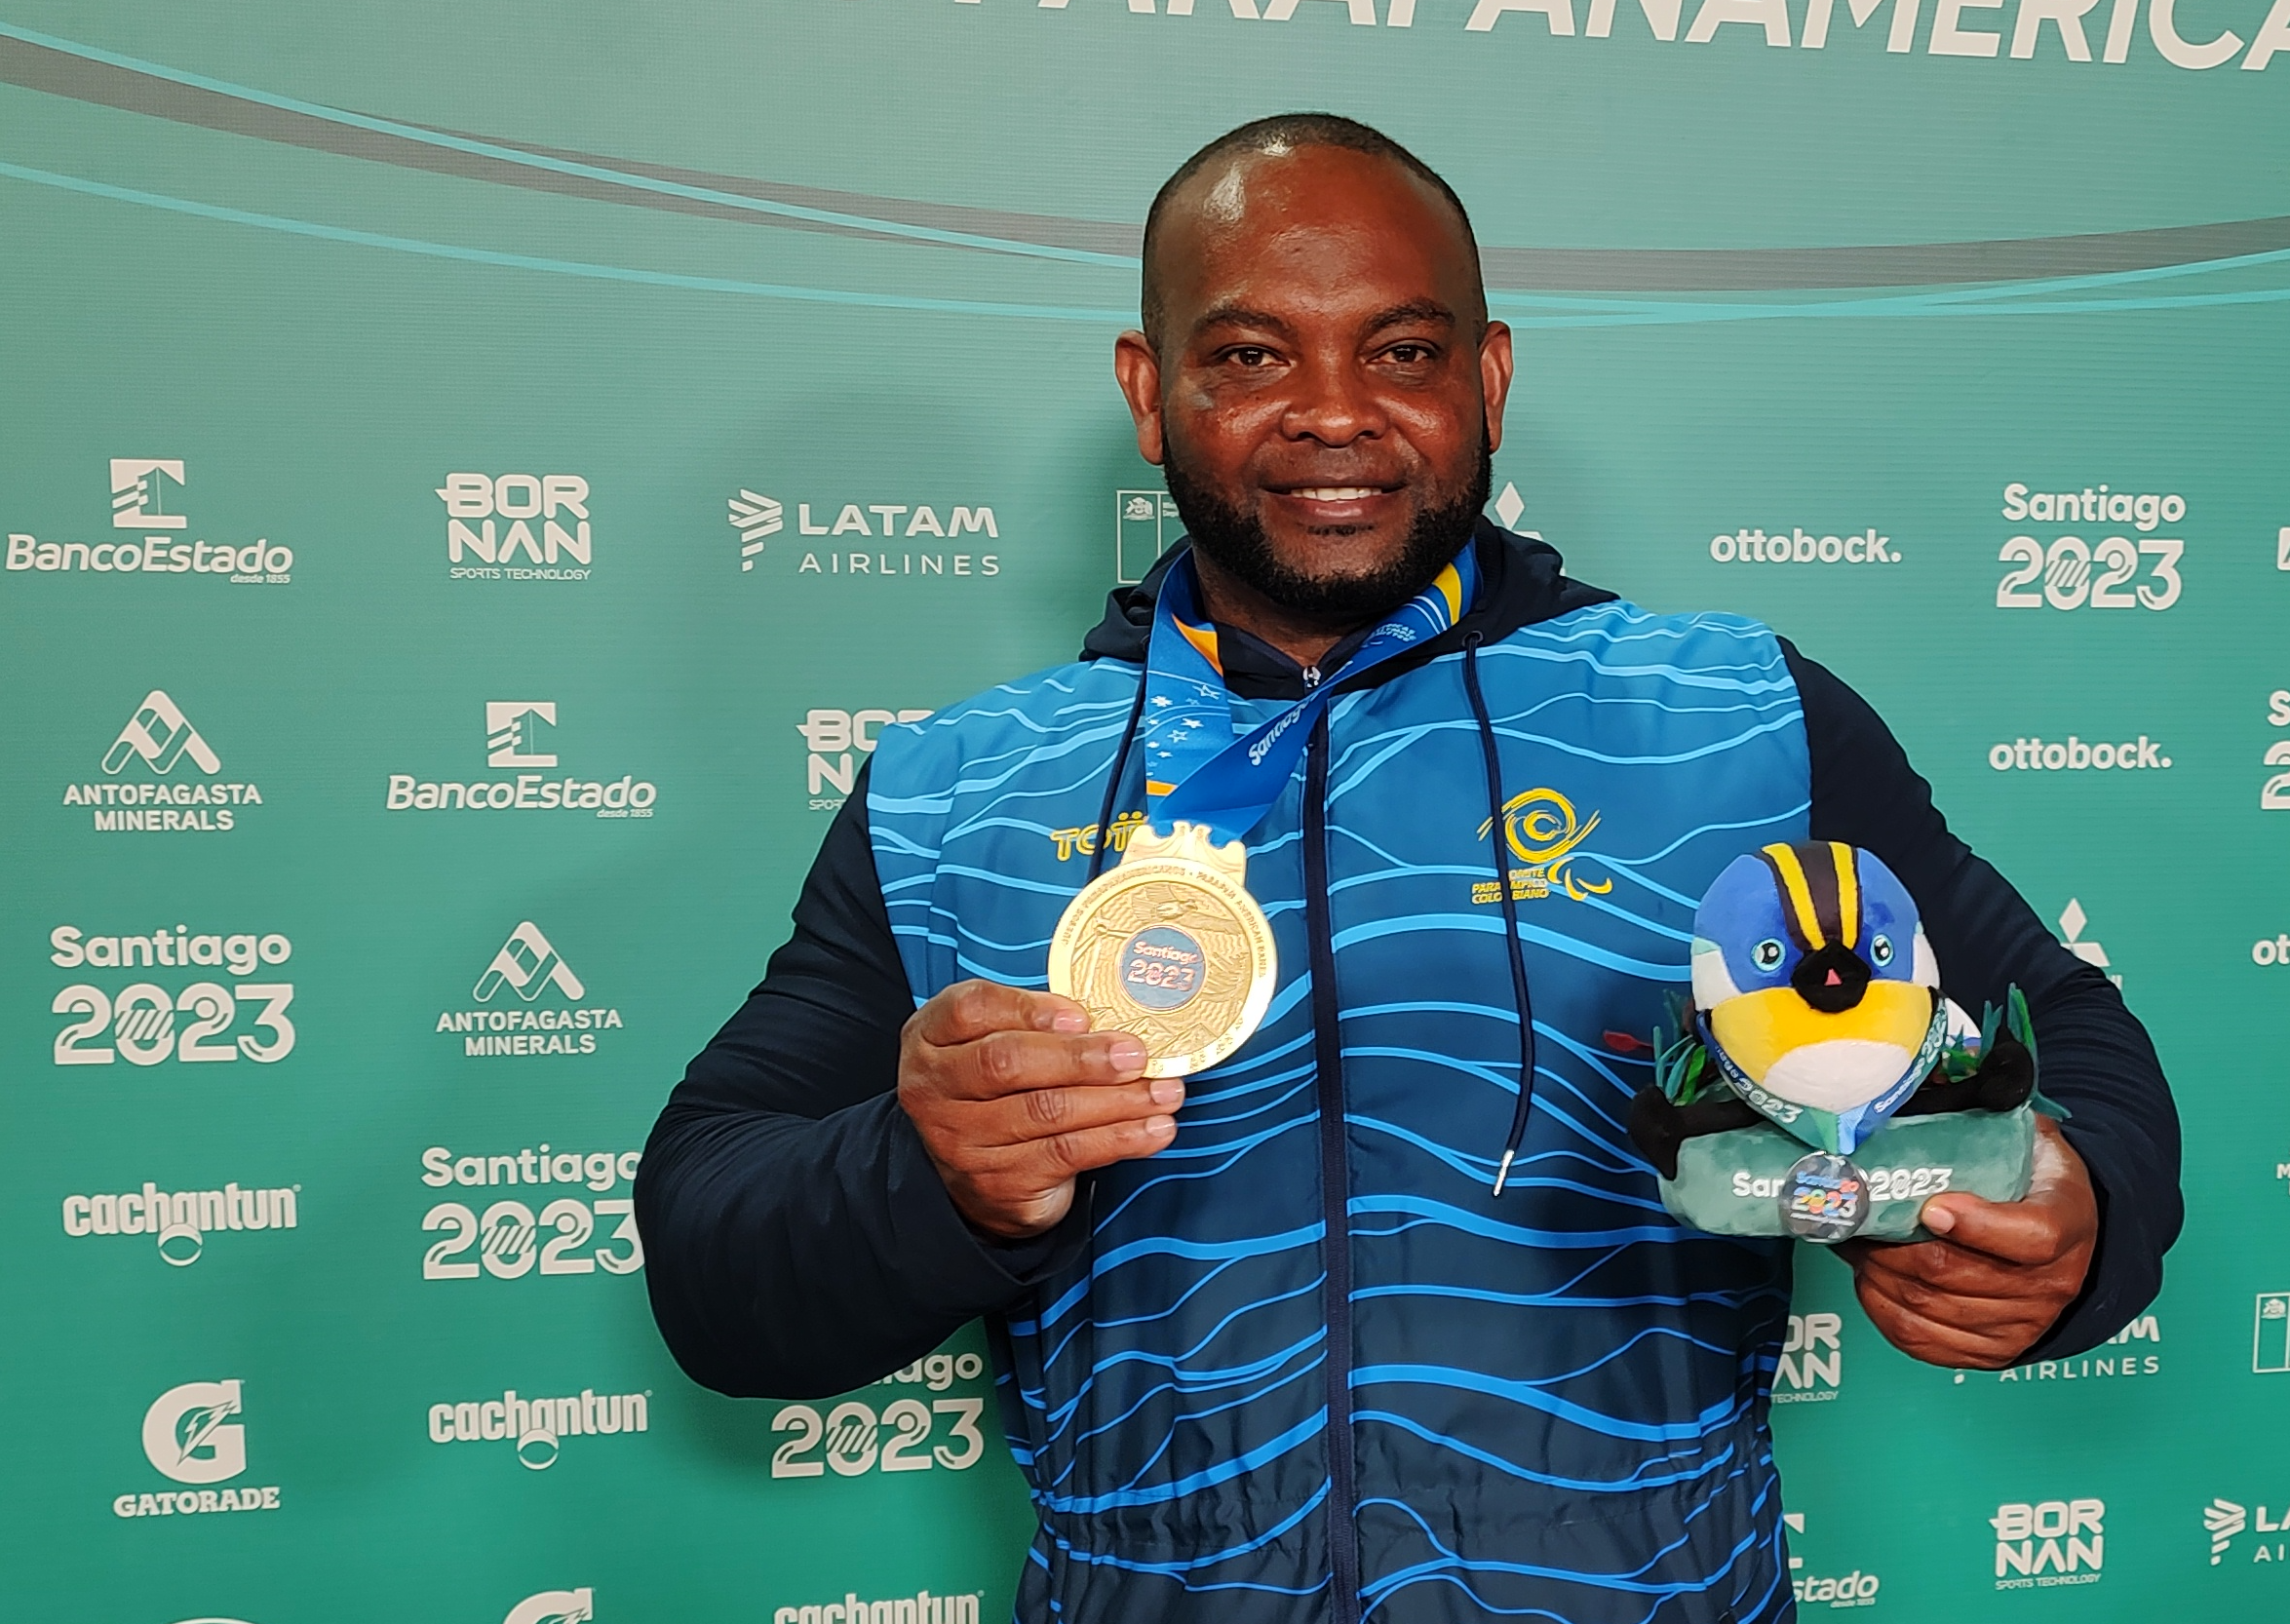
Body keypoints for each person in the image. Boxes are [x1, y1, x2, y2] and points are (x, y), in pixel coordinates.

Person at [638, 113, 2179, 1624]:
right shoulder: (955, 787)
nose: (1331, 412)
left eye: (1400, 351)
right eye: (1248, 354)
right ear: (1148, 390)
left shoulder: (1734, 716)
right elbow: (710, 1247)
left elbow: (2063, 1031)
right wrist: (930, 1173)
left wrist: (2079, 1213)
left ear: (1488, 377)